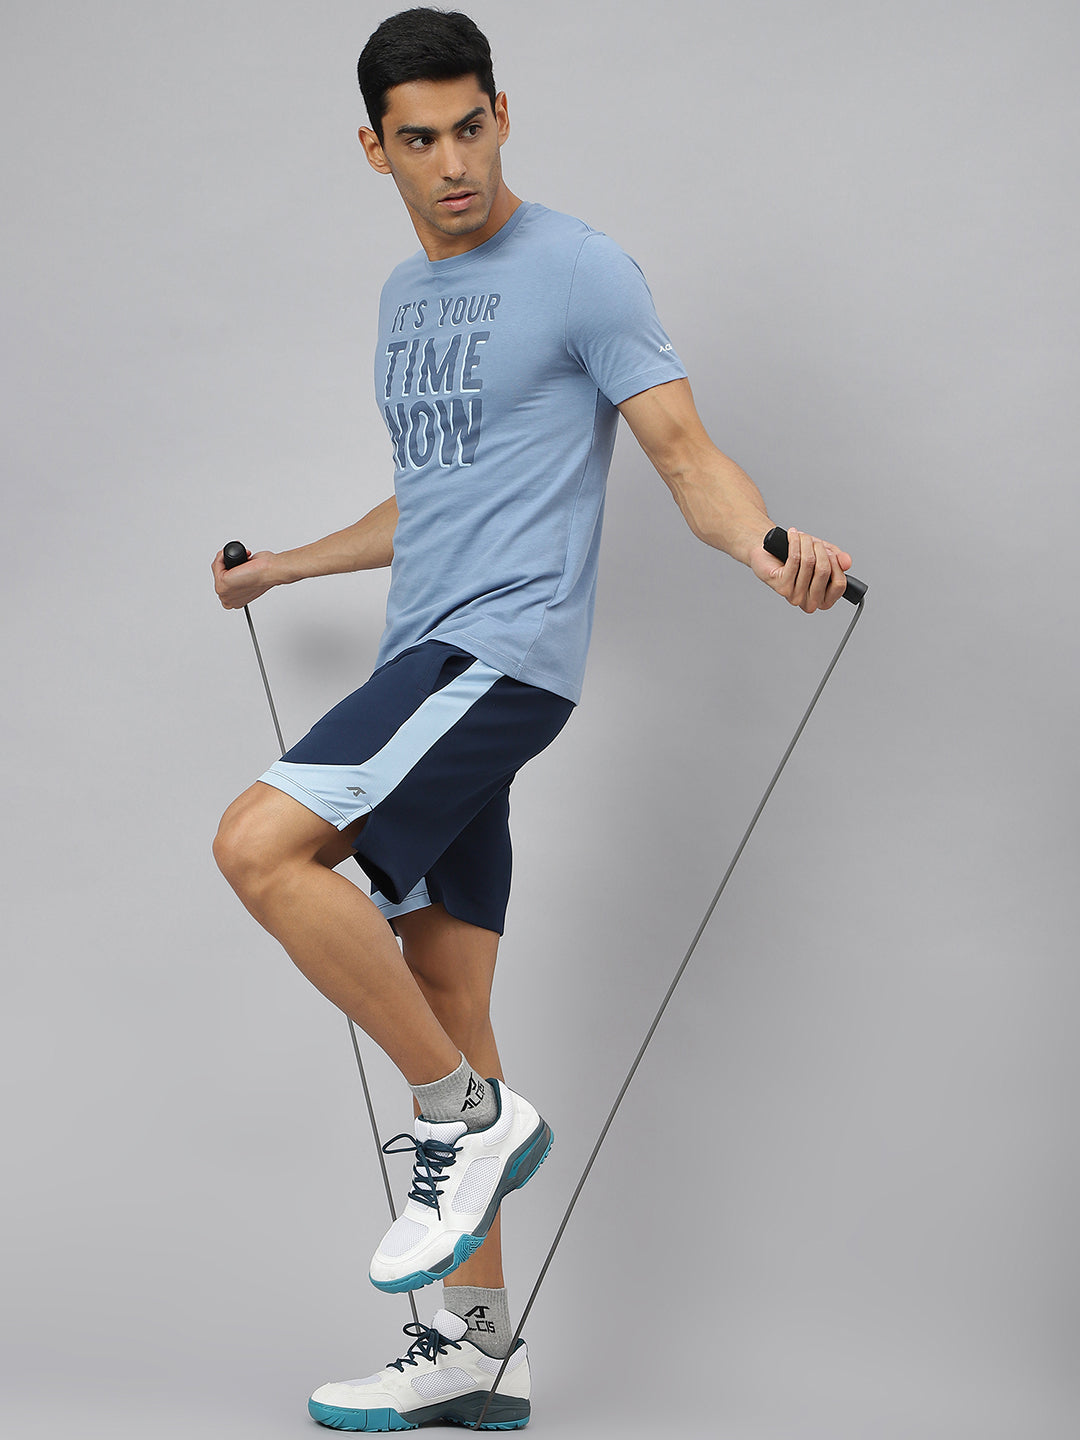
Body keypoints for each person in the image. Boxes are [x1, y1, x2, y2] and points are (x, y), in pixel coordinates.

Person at [212, 8, 853, 1431]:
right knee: (449, 995)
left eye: (472, 129)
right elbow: (433, 499)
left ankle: (468, 1121)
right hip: (429, 651)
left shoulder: (580, 269)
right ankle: (477, 1357)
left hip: (498, 657)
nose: (453, 165)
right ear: (374, 149)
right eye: (420, 140)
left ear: (503, 115)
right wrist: (286, 569)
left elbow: (684, 455)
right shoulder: (404, 297)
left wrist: (771, 551)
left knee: (258, 847)